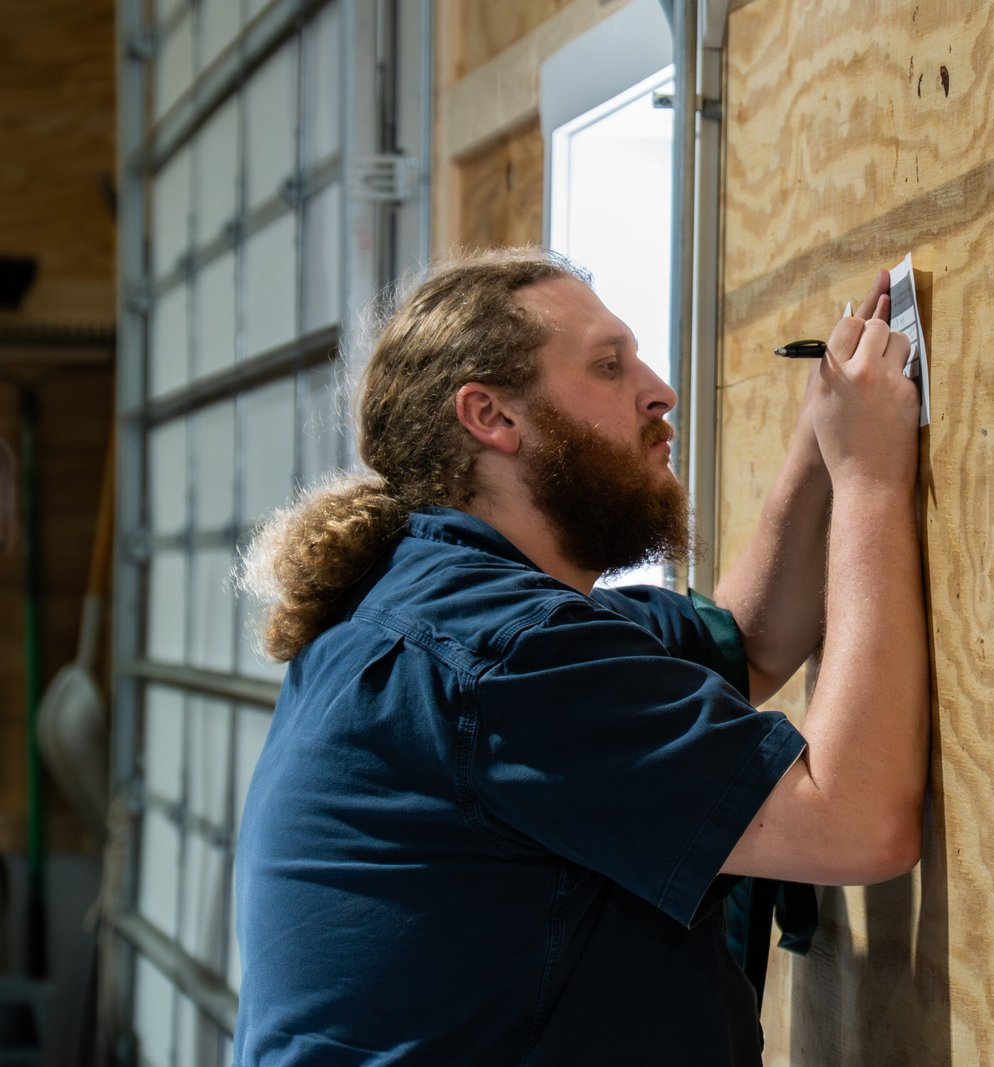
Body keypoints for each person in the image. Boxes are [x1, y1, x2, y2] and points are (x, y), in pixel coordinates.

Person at [231, 247, 928, 1065]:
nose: (658, 390)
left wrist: (824, 439)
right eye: (608, 366)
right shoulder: (495, 654)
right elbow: (857, 826)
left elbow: (750, 639)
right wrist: (872, 479)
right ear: (492, 417)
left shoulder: (436, 602)